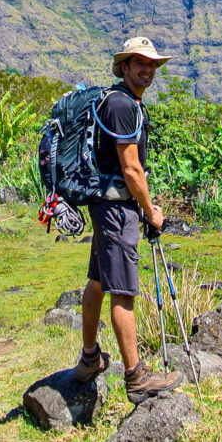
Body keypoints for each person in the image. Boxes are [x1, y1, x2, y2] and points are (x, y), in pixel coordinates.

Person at [74, 37, 182, 404]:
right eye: (140, 63)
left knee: (98, 280)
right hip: (117, 209)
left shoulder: (121, 101)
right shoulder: (122, 106)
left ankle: (89, 358)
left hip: (107, 206)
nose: (148, 69)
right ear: (125, 67)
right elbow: (132, 169)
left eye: (152, 64)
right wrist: (150, 210)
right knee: (122, 290)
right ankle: (136, 378)